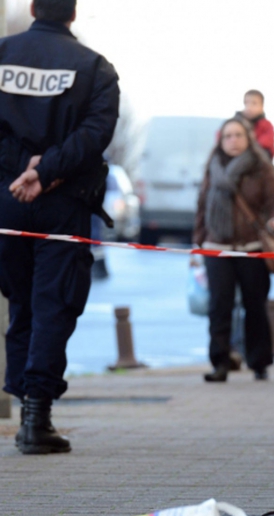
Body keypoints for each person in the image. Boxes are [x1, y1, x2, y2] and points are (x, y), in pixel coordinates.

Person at [0, 0, 120, 455]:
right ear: (72, 14)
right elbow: (95, 134)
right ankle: (36, 418)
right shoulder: (94, 67)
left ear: (32, 8)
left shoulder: (2, 53)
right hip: (63, 203)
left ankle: (25, 403)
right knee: (54, 304)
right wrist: (46, 170)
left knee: (22, 301)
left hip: (7, 201)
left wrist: (20, 171)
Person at [194, 118, 274, 383]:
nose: (233, 140)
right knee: (218, 308)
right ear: (220, 140)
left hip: (252, 248)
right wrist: (198, 242)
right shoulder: (213, 167)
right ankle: (220, 363)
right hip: (217, 248)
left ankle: (259, 363)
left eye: (238, 135)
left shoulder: (261, 167)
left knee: (255, 306)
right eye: (227, 136)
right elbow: (201, 205)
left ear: (248, 138)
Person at [236, 89, 274, 159]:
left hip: (258, 156)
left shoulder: (266, 124)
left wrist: (251, 145)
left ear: (262, 107)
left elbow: (268, 140)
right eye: (246, 103)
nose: (249, 107)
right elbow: (222, 135)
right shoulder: (236, 123)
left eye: (254, 103)